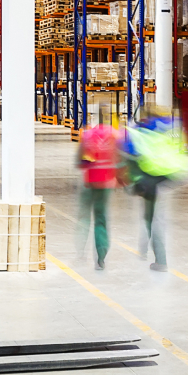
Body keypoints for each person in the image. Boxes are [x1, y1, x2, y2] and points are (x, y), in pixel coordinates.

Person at [126, 105, 188, 272]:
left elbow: (131, 155)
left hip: (152, 178)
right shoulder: (171, 127)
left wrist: (132, 183)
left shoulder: (142, 132)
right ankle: (144, 248)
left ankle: (161, 261)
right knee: (151, 215)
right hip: (172, 174)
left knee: (155, 220)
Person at [78, 113, 120, 270]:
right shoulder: (114, 135)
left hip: (91, 182)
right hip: (106, 182)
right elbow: (120, 157)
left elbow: (82, 161)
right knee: (101, 219)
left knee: (84, 217)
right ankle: (101, 257)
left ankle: (80, 250)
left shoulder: (88, 135)